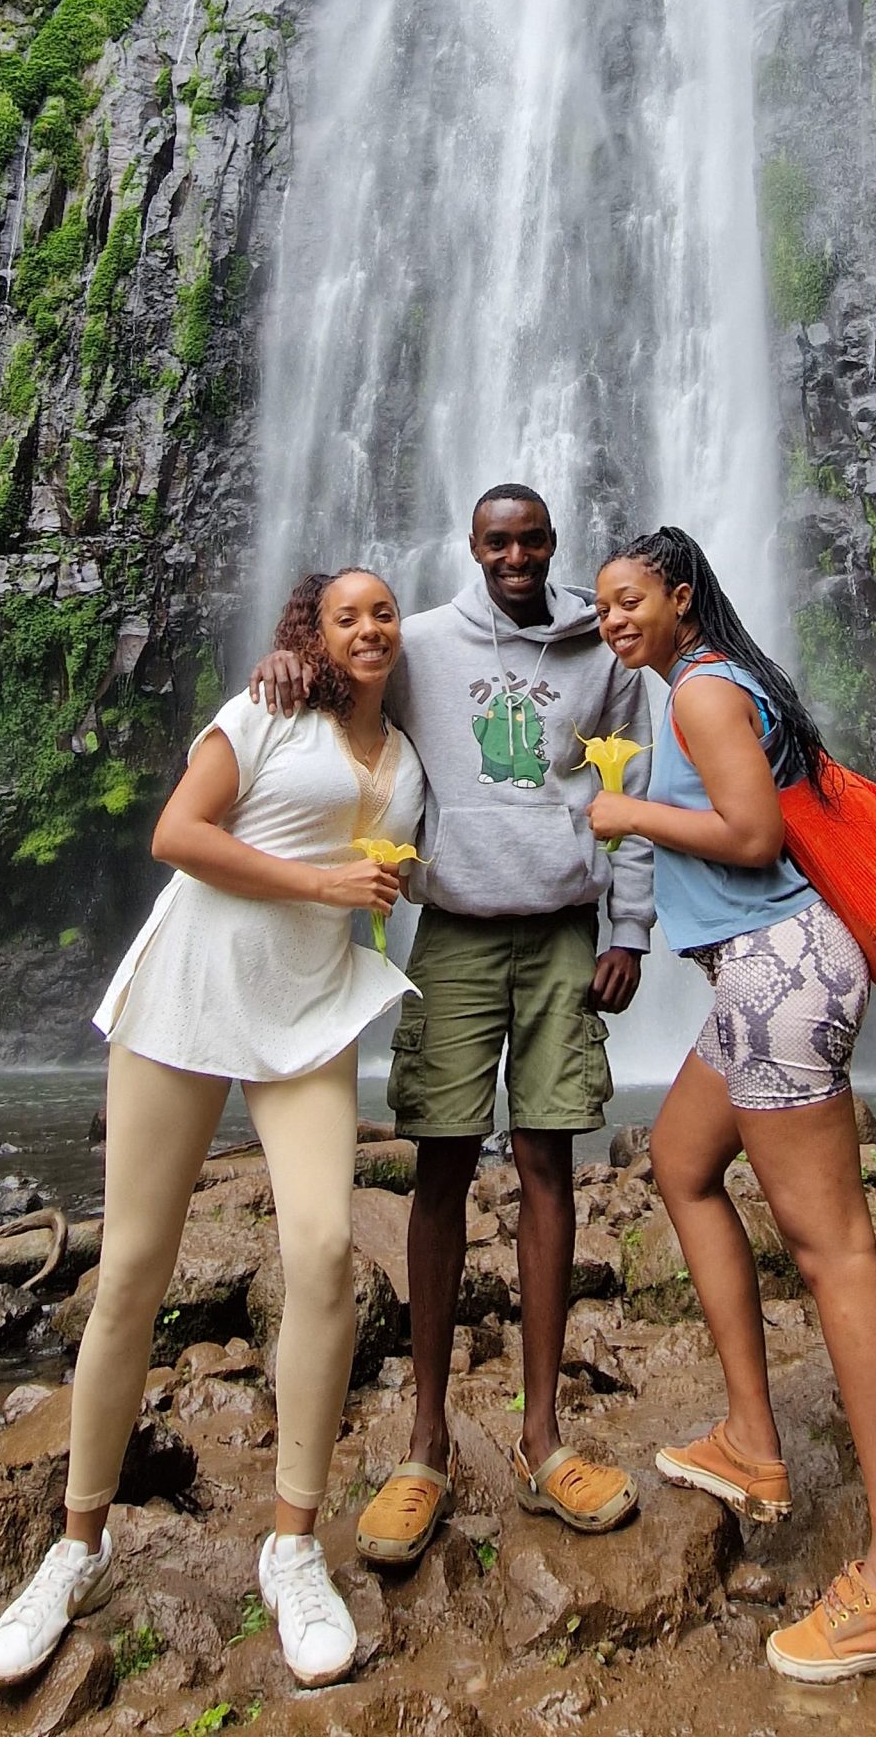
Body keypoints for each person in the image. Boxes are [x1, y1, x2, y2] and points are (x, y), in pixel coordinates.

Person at [0, 569, 423, 1696]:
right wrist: (322, 886)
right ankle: (77, 1546)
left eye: (384, 612)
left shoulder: (412, 758)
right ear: (309, 634)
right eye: (346, 613)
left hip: (312, 1011)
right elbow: (178, 832)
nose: (370, 626)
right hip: (187, 992)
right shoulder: (267, 709)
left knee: (323, 1250)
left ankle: (291, 1543)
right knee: (129, 1267)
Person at [250, 484, 653, 1559]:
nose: (515, 554)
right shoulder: (419, 639)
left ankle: (540, 1437)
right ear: (471, 548)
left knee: (547, 1163)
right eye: (495, 540)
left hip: (569, 932)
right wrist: (288, 665)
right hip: (458, 933)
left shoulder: (606, 654)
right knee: (437, 1166)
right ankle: (423, 1444)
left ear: (550, 543)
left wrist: (632, 927)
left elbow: (633, 794)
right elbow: (344, 679)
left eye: (530, 539)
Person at [590, 526, 876, 1686]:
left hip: (776, 972)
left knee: (834, 1247)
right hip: (764, 975)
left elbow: (751, 838)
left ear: (681, 597)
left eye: (629, 599)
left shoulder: (699, 692)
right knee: (682, 1158)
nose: (610, 619)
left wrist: (627, 818)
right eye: (598, 605)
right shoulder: (724, 679)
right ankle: (753, 1440)